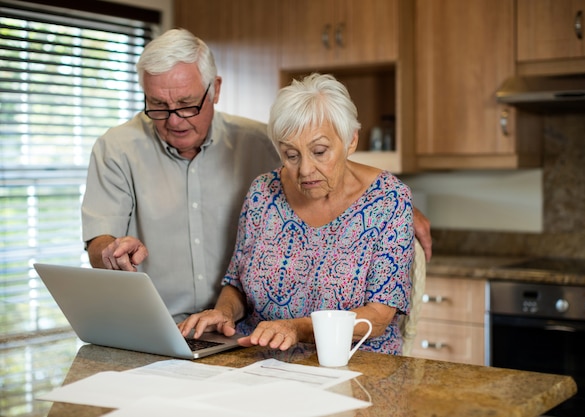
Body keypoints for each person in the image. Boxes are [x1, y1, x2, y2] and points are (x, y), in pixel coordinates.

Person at [82, 28, 432, 324]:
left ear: (215, 89)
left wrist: (391, 203)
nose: (174, 119)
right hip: (163, 324)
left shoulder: (259, 142)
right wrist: (109, 251)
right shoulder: (117, 149)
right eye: (158, 105)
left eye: (187, 104)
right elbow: (99, 242)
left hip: (232, 334)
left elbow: (327, 164)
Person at [178, 73, 415, 355]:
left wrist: (296, 328)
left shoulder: (389, 199)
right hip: (262, 359)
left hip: (353, 365)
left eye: (319, 151)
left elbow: (377, 317)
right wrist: (224, 312)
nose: (304, 170)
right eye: (291, 155)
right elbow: (237, 285)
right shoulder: (263, 192)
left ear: (351, 141)